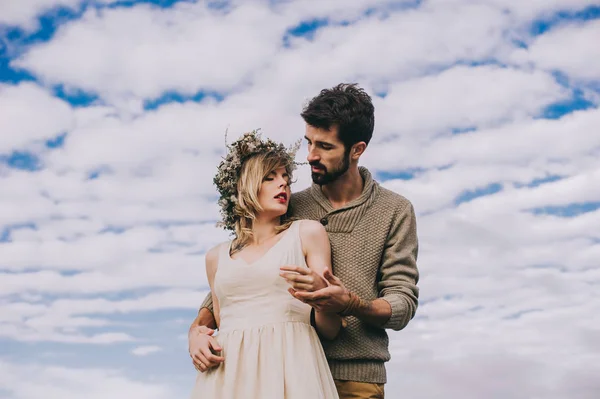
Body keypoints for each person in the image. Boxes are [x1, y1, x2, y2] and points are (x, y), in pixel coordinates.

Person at [190, 84, 420, 399]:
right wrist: (196, 331)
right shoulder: (285, 204)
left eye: (325, 146)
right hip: (271, 373)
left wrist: (349, 303)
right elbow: (240, 277)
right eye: (310, 142)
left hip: (354, 379)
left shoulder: (394, 210)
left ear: (357, 149)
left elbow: (402, 302)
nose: (310, 156)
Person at [189, 131, 341, 398]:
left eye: (285, 178)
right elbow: (221, 323)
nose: (282, 184)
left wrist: (321, 297)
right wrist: (198, 336)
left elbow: (330, 331)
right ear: (243, 187)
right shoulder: (215, 257)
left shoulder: (307, 233)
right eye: (269, 178)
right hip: (227, 376)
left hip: (290, 367)